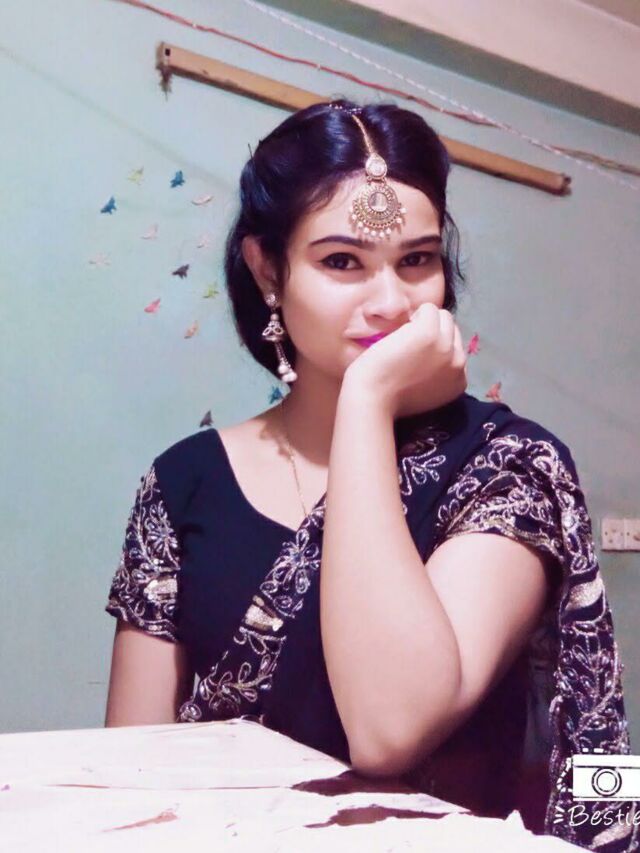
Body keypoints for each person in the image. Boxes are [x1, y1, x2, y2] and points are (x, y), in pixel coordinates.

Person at [104, 99, 634, 851]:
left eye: (416, 261)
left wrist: (367, 402)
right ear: (267, 270)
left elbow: (390, 728)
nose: (391, 303)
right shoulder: (183, 480)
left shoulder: (511, 465)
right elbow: (130, 775)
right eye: (342, 262)